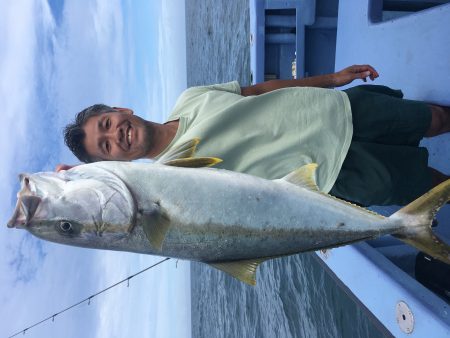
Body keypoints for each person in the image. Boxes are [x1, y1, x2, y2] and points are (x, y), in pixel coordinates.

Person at [59, 65, 450, 206]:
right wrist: (78, 187)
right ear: (117, 163)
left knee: (433, 118)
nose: (116, 136)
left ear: (120, 110)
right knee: (435, 190)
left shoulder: (190, 97)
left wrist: (332, 79)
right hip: (333, 172)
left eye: (106, 124)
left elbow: (259, 91)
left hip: (339, 110)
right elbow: (131, 200)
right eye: (106, 147)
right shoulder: (173, 177)